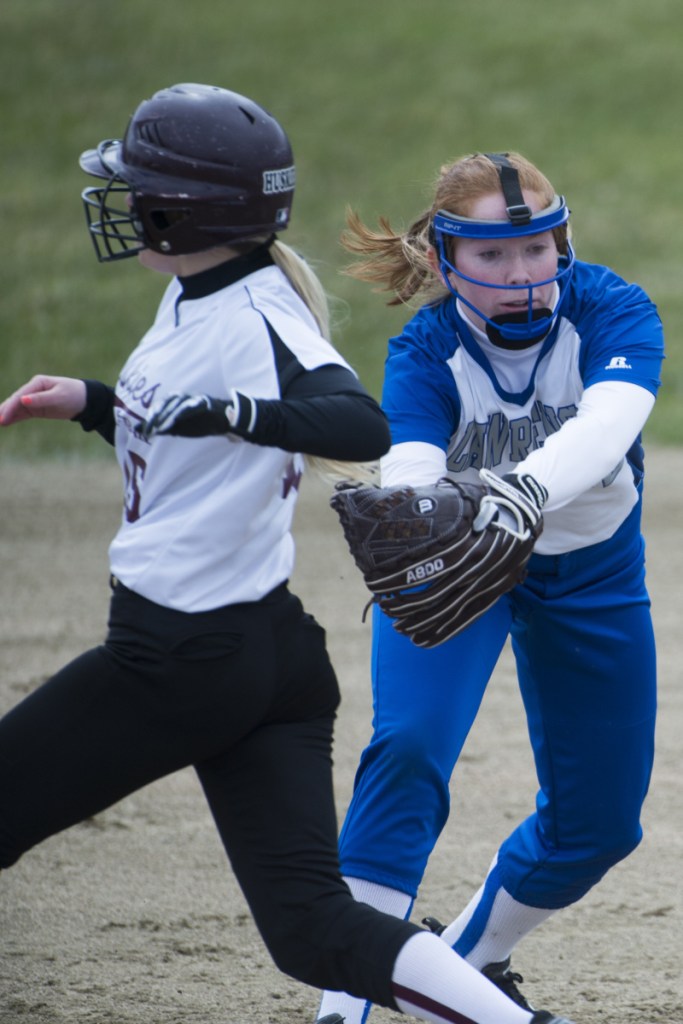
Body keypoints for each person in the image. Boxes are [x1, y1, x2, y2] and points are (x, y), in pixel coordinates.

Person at [0, 87, 576, 1024]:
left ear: (182, 211)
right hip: (265, 660)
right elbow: (190, 454)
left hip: (175, 660)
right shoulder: (206, 292)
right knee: (313, 930)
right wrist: (97, 404)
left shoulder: (255, 313)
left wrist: (233, 414)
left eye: (135, 186)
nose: (119, 199)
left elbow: (357, 419)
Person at [313, 151, 664, 1024]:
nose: (523, 277)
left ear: (563, 240)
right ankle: (341, 1008)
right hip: (458, 570)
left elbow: (607, 424)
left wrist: (521, 491)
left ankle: (461, 968)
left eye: (539, 248)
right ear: (443, 260)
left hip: (590, 569)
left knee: (599, 827)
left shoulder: (612, 307)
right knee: (405, 753)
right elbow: (413, 470)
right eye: (492, 257)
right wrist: (420, 501)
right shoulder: (425, 350)